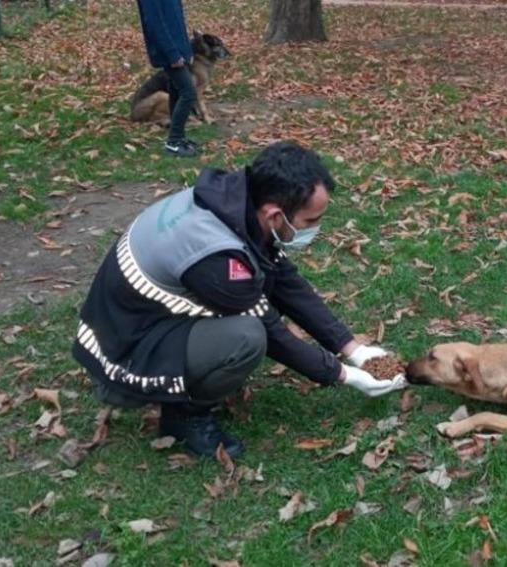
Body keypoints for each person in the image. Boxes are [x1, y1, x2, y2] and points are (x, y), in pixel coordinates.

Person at [72, 142, 407, 458]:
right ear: (276, 215)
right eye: (311, 221)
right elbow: (272, 332)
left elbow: (283, 281)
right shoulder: (216, 258)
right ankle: (185, 414)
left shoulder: (237, 202)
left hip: (133, 325)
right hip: (126, 356)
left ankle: (188, 381)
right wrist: (344, 375)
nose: (316, 228)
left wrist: (353, 349)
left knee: (253, 310)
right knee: (246, 338)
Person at [135, 0, 198, 157]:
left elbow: (178, 21)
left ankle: (179, 138)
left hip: (178, 49)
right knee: (188, 93)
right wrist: (172, 54)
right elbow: (156, 24)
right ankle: (173, 141)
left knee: (176, 89)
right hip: (167, 51)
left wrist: (186, 50)